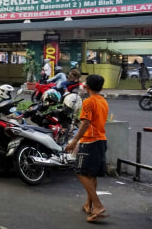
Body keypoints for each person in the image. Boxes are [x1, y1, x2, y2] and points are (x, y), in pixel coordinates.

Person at [65, 74, 109, 222]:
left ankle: (97, 205)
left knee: (80, 172)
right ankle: (88, 204)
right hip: (101, 140)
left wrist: (74, 141)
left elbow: (85, 123)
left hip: (90, 141)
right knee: (91, 174)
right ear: (101, 87)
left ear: (87, 87)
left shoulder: (88, 102)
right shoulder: (103, 101)